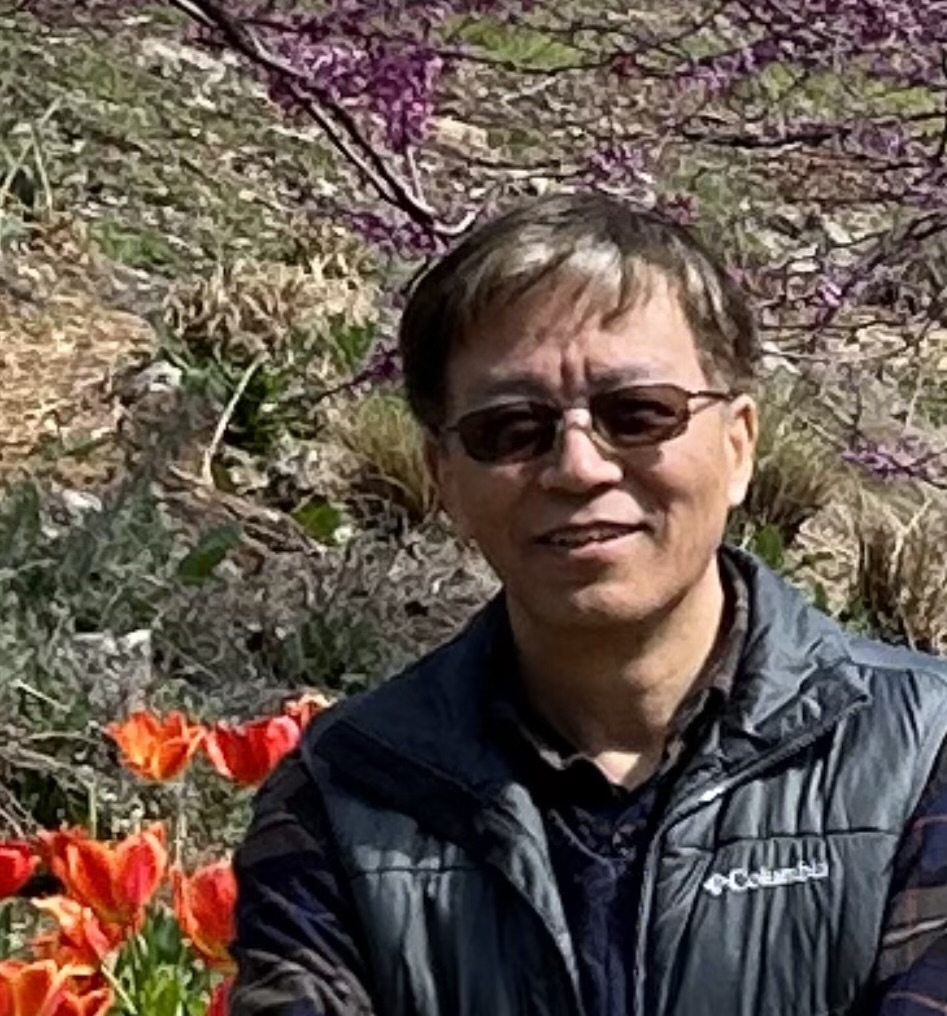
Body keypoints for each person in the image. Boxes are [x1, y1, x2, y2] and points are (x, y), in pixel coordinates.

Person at [229, 192, 947, 1016]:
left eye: (637, 414)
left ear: (739, 445)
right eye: (510, 428)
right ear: (444, 480)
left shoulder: (920, 754)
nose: (577, 467)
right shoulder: (343, 793)